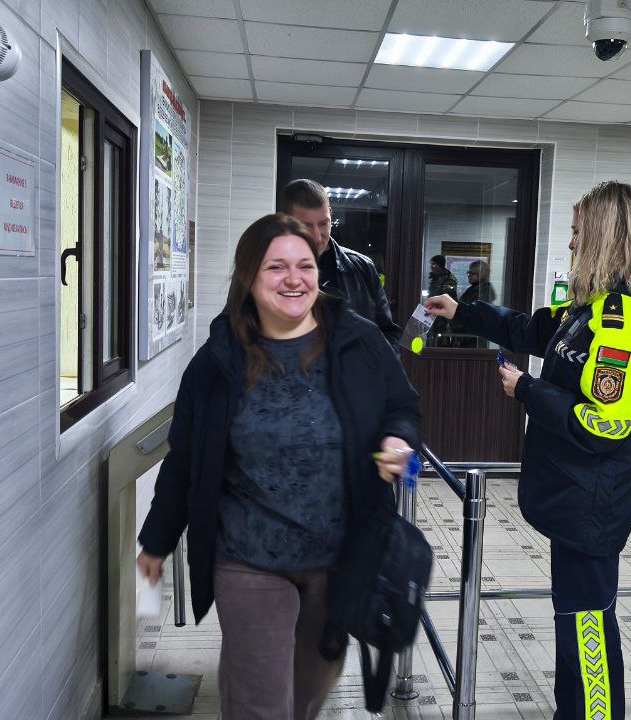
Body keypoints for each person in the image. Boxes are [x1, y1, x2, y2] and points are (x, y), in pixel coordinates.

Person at [136, 213, 421, 720]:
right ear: (249, 277)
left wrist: (398, 439)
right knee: (261, 702)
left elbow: (403, 404)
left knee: (307, 694)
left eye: (304, 266)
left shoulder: (359, 342)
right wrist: (157, 541)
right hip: (249, 558)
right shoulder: (218, 361)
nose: (294, 279)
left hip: (340, 557)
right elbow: (186, 460)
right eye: (276, 267)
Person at [426, 181, 631, 720]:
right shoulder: (590, 307)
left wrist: (528, 390)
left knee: (587, 620)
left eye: (579, 232)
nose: (571, 242)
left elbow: (605, 423)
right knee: (576, 614)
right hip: (576, 489)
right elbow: (532, 329)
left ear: (602, 236)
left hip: (594, 495)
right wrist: (462, 311)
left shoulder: (625, 321)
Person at [281, 179, 400, 343]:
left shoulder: (362, 267)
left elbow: (387, 334)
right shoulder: (264, 270)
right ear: (285, 221)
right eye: (306, 226)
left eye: (324, 224)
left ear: (330, 213)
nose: (317, 236)